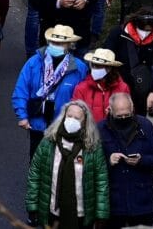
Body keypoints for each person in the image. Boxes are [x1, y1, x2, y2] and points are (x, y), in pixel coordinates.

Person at [25, 98, 109, 229]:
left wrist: (101, 215)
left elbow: (101, 182)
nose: (72, 120)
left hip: (81, 216)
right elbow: (35, 175)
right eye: (69, 116)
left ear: (85, 122)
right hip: (52, 213)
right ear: (63, 116)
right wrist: (32, 206)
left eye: (77, 118)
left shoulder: (93, 148)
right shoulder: (48, 142)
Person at [17, 25, 90, 154]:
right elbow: (21, 90)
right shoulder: (34, 62)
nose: (56, 45)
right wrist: (22, 116)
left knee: (60, 168)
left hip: (65, 128)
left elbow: (83, 98)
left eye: (61, 43)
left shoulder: (80, 68)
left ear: (69, 45)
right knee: (36, 166)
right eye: (54, 42)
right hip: (37, 124)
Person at [101, 87, 153, 227]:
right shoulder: (101, 129)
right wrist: (108, 161)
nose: (124, 118)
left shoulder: (145, 125)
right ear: (110, 110)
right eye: (119, 116)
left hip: (142, 203)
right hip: (113, 204)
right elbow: (90, 166)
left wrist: (141, 160)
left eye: (127, 115)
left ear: (133, 109)